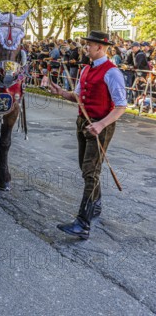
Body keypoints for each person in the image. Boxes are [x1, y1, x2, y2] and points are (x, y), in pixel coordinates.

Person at [49, 30, 127, 239]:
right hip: (83, 122)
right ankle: (96, 205)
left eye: (88, 45)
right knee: (86, 168)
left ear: (100, 47)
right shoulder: (85, 70)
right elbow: (78, 96)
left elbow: (121, 106)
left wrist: (101, 125)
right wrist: (61, 92)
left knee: (90, 171)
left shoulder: (112, 72)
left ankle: (83, 223)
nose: (85, 48)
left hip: (100, 125)